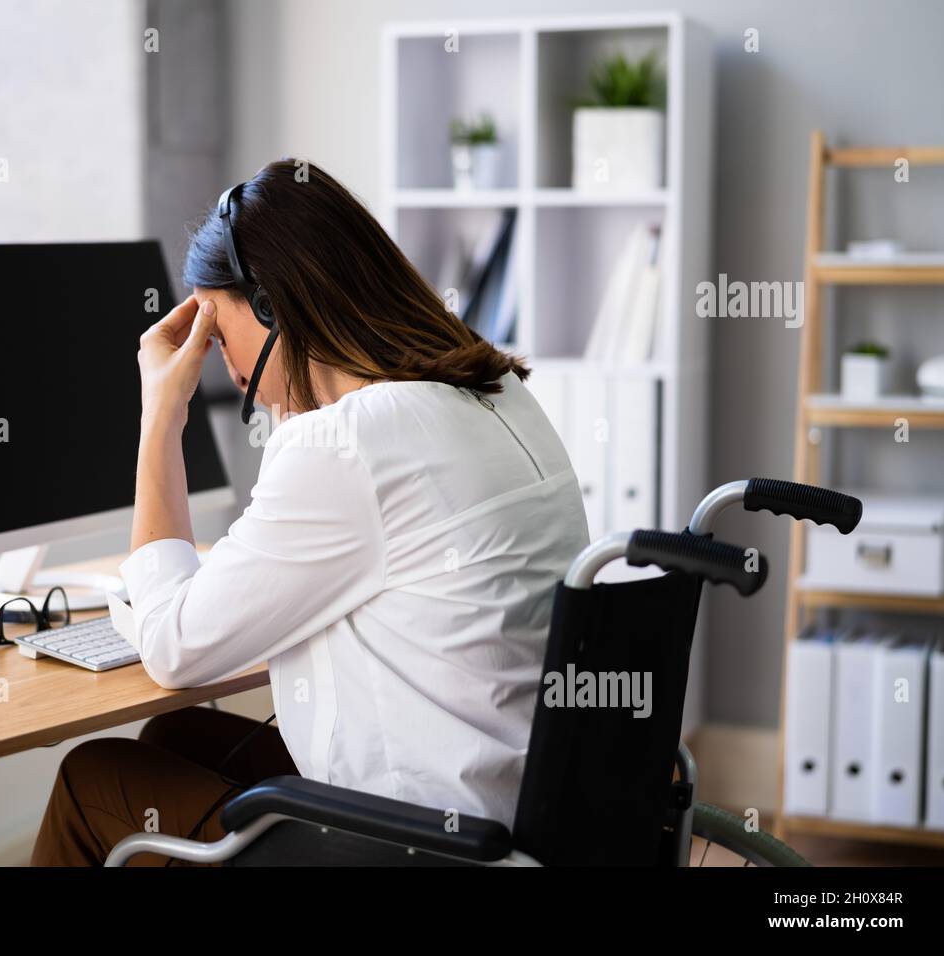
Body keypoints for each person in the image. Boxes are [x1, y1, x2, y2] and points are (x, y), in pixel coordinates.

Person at [30, 160, 589, 866]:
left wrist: (159, 415)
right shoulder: (496, 390)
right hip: (516, 817)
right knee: (178, 742)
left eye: (221, 340)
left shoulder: (348, 441)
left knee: (92, 782)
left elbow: (172, 649)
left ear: (272, 309)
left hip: (423, 845)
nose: (232, 377)